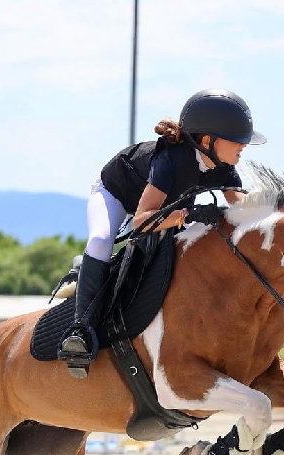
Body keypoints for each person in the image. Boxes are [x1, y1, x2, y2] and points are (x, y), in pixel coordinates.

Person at [58, 89, 266, 379]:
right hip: (117, 196)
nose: (244, 146)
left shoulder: (225, 170)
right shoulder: (169, 162)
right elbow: (141, 221)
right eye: (237, 140)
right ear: (207, 141)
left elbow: (244, 213)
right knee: (101, 240)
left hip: (163, 208)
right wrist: (189, 214)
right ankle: (79, 331)